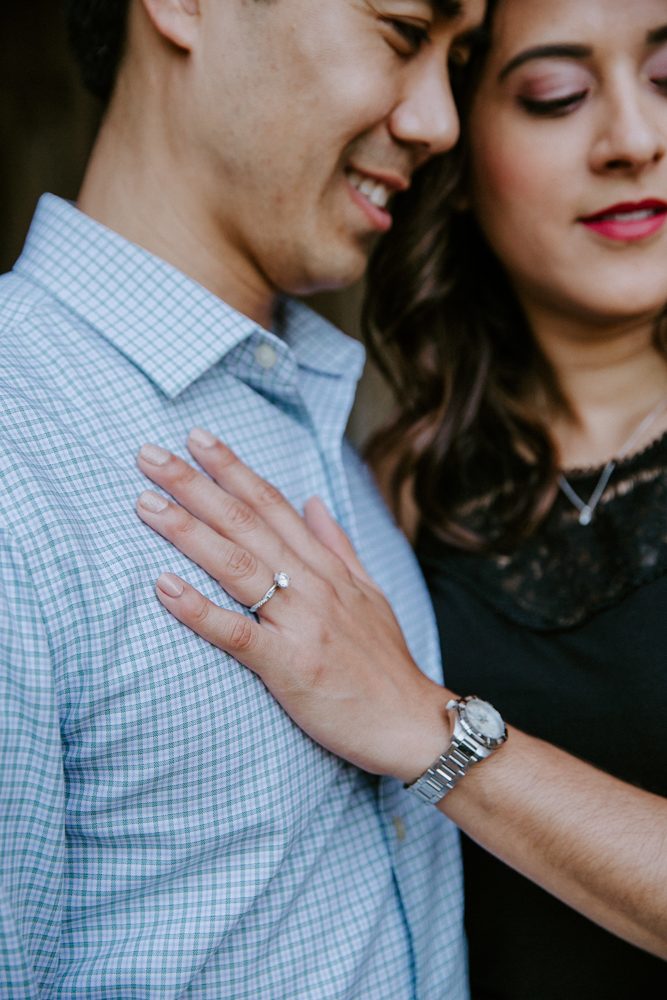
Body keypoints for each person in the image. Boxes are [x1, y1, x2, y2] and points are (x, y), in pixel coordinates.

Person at [132, 0, 667, 997]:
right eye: (556, 95)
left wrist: (433, 729)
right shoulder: (382, 492)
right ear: (457, 157)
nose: (635, 140)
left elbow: (407, 724)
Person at [0, 0, 486, 996]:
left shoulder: (332, 430)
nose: (441, 120)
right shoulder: (18, 444)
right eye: (403, 31)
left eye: (461, 58)